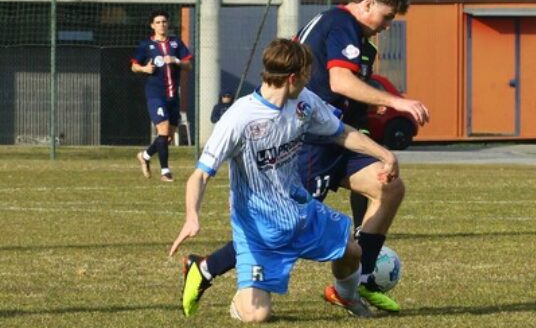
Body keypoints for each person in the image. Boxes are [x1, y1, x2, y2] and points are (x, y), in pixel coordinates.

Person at [174, 0, 429, 314]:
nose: (386, 25)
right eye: (385, 17)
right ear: (368, 4)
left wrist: (380, 150)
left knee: (388, 189)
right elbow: (339, 82)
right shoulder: (342, 25)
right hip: (310, 143)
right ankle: (205, 267)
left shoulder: (347, 31)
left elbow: (341, 106)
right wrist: (398, 101)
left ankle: (359, 279)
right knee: (283, 225)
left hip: (336, 136)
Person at [169, 39, 400, 321]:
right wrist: (191, 216)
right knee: (257, 316)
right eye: (307, 75)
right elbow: (200, 175)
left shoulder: (303, 102)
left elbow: (339, 132)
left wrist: (384, 154)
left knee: (352, 252)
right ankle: (240, 301)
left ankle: (347, 296)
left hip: (301, 211)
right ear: (292, 77)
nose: (310, 80)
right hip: (259, 229)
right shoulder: (239, 118)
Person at [131, 10, 192, 182]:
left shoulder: (176, 43)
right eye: (158, 22)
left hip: (173, 95)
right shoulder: (146, 45)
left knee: (168, 137)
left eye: (164, 21)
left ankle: (145, 155)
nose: (161, 24)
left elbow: (189, 66)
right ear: (152, 26)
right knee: (163, 130)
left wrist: (176, 61)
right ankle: (165, 171)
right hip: (155, 94)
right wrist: (144, 69)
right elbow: (134, 66)